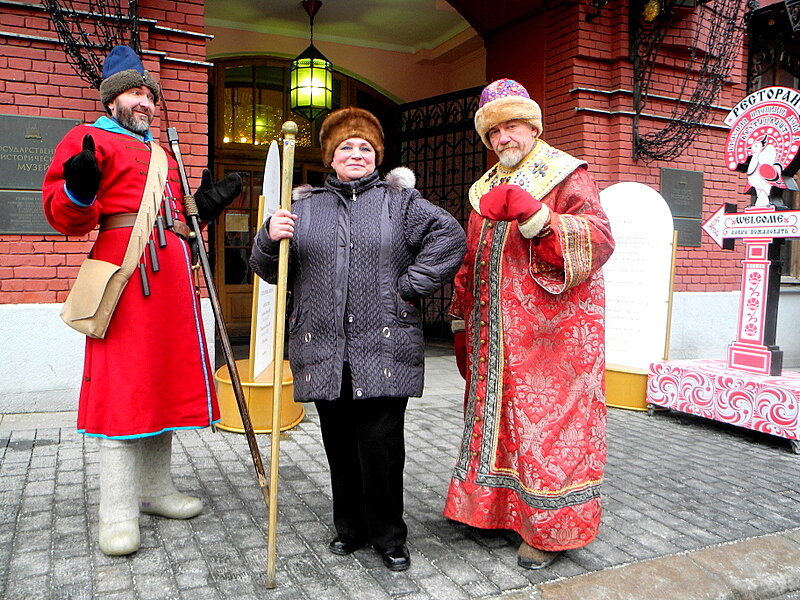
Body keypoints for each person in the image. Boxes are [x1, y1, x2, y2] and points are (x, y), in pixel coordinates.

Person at [42, 46, 241, 556]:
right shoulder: (86, 139)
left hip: (172, 280)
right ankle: (116, 512)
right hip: (125, 276)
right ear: (113, 100)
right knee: (125, 388)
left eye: (150, 94)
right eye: (135, 93)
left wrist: (206, 208)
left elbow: (177, 215)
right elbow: (63, 216)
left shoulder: (164, 151)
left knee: (161, 384)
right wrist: (80, 191)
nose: (145, 102)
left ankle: (155, 491)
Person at [249, 107, 466, 572]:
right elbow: (267, 268)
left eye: (365, 148)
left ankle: (389, 536)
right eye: (346, 147)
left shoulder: (400, 203)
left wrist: (410, 285)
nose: (356, 154)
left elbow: (449, 235)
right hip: (324, 347)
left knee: (382, 449)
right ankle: (349, 528)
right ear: (330, 157)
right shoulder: (302, 208)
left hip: (383, 345)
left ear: (378, 158)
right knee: (339, 446)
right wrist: (269, 237)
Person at [443, 79, 615, 570]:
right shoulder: (484, 190)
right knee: (494, 423)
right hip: (493, 335)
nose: (503, 138)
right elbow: (471, 260)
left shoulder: (567, 175)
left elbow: (599, 241)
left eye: (512, 126)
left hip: (553, 339)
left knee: (548, 432)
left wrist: (540, 218)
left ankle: (550, 531)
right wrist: (460, 319)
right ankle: (491, 510)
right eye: (494, 131)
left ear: (533, 127)